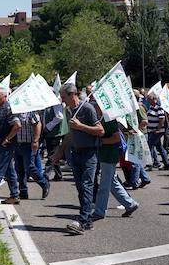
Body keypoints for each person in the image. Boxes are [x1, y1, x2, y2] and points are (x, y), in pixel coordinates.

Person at [55, 84, 103, 234]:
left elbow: (100, 130)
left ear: (72, 95)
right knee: (80, 189)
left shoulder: (87, 108)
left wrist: (81, 126)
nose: (62, 100)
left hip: (89, 154)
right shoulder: (69, 111)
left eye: (63, 97)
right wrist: (59, 152)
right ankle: (87, 220)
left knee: (87, 186)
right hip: (75, 153)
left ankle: (82, 221)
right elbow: (70, 135)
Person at [90, 90, 140, 220]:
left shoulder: (108, 118)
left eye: (95, 103)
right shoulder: (102, 117)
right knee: (111, 181)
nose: (94, 106)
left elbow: (117, 138)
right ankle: (130, 204)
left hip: (109, 154)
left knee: (104, 184)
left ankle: (100, 211)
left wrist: (100, 142)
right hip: (106, 154)